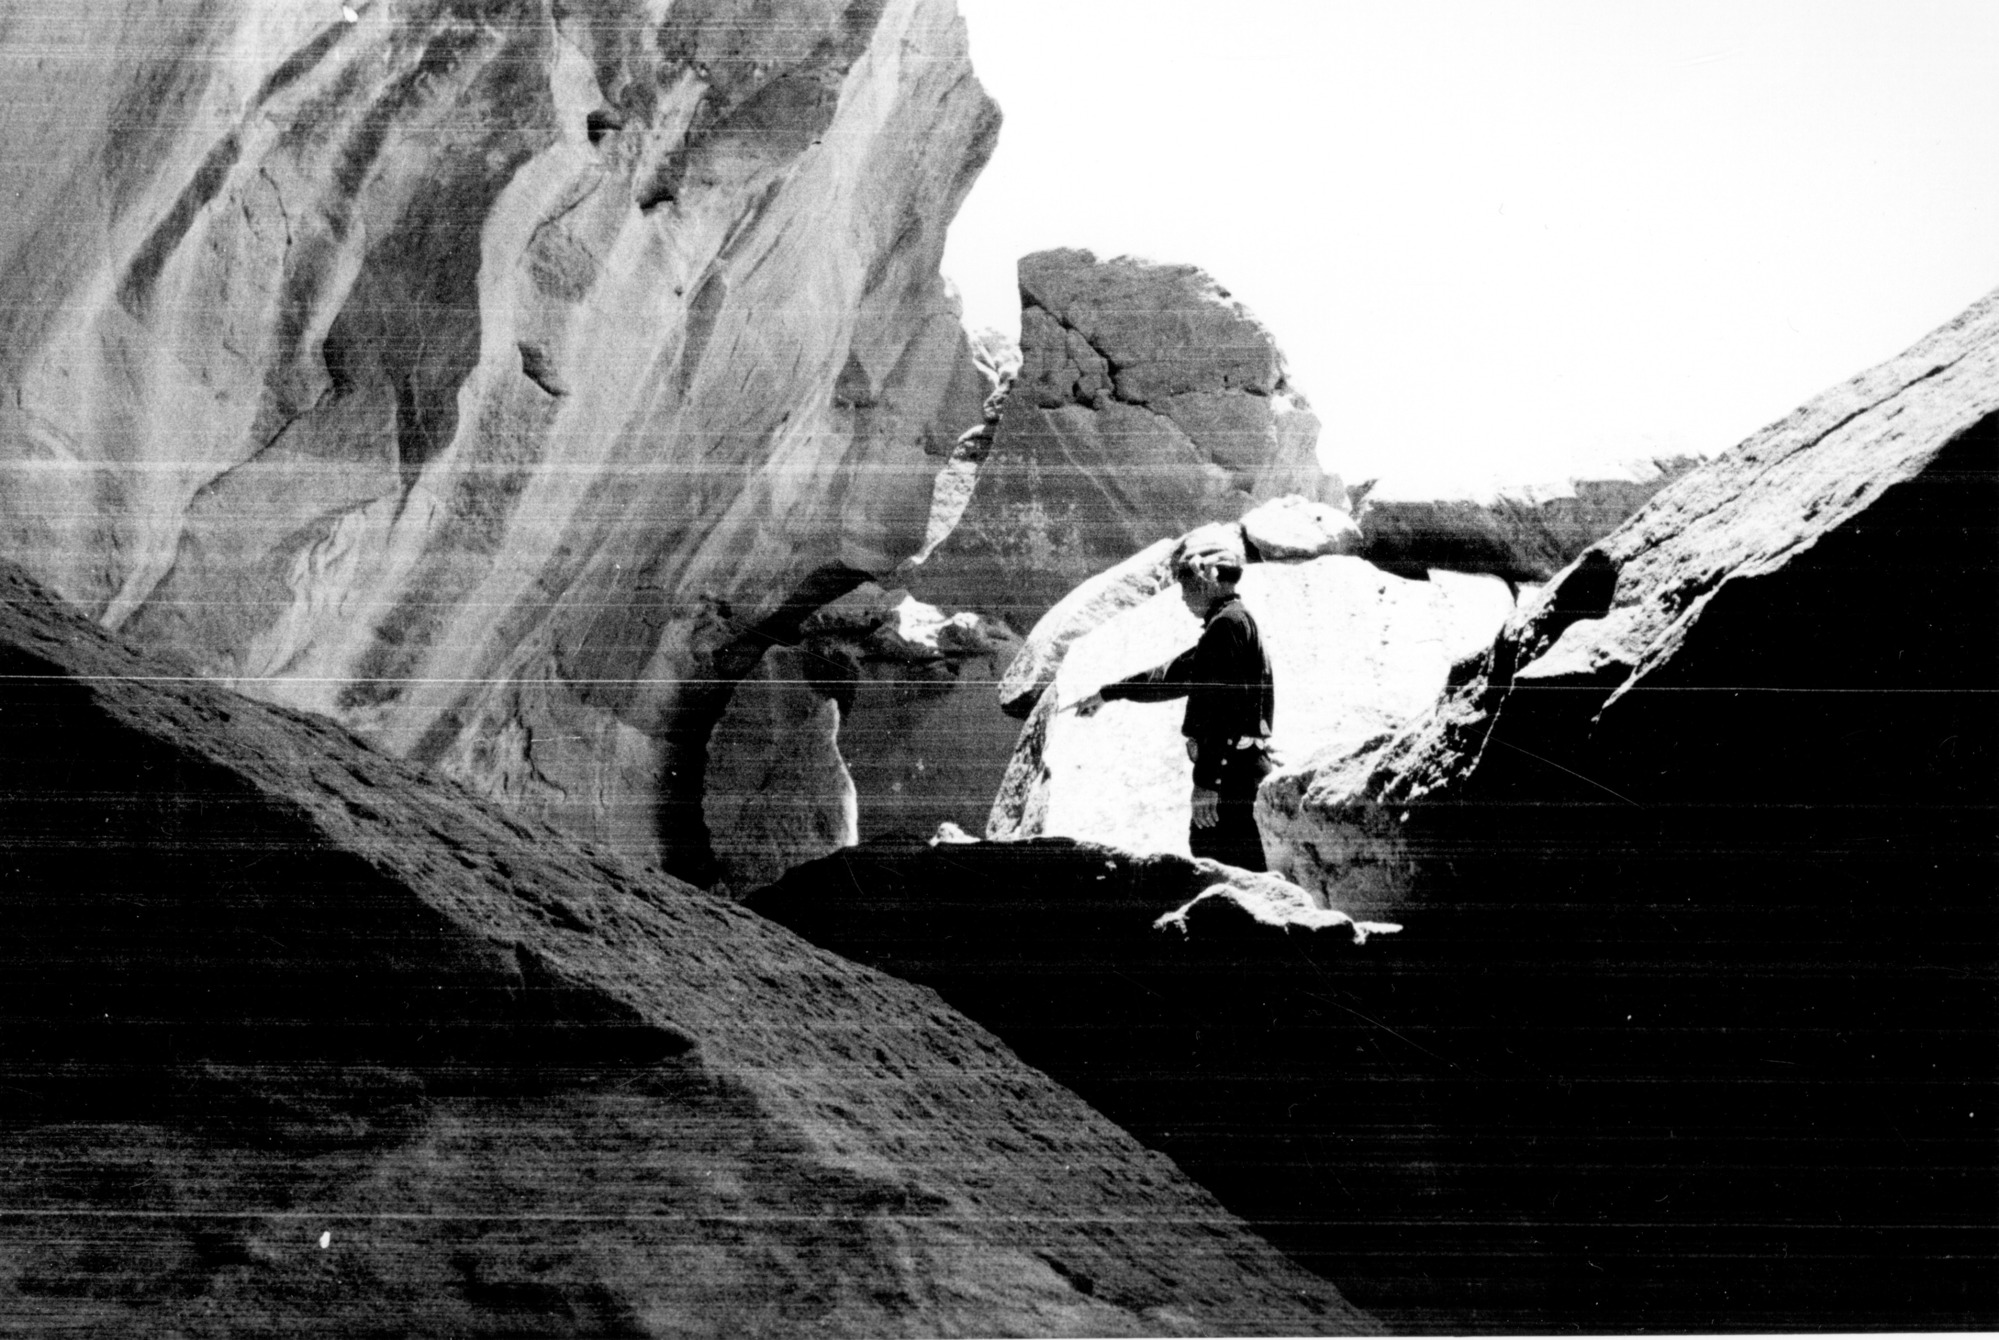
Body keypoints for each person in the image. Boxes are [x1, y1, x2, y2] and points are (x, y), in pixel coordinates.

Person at [1072, 529, 1275, 870]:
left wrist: (1206, 782)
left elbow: (1217, 710)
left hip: (1228, 777)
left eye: (1184, 586)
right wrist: (1109, 692)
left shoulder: (1224, 628)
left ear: (1205, 579)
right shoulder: (1233, 622)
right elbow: (1171, 675)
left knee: (1220, 873)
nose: (1182, 598)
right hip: (1242, 770)